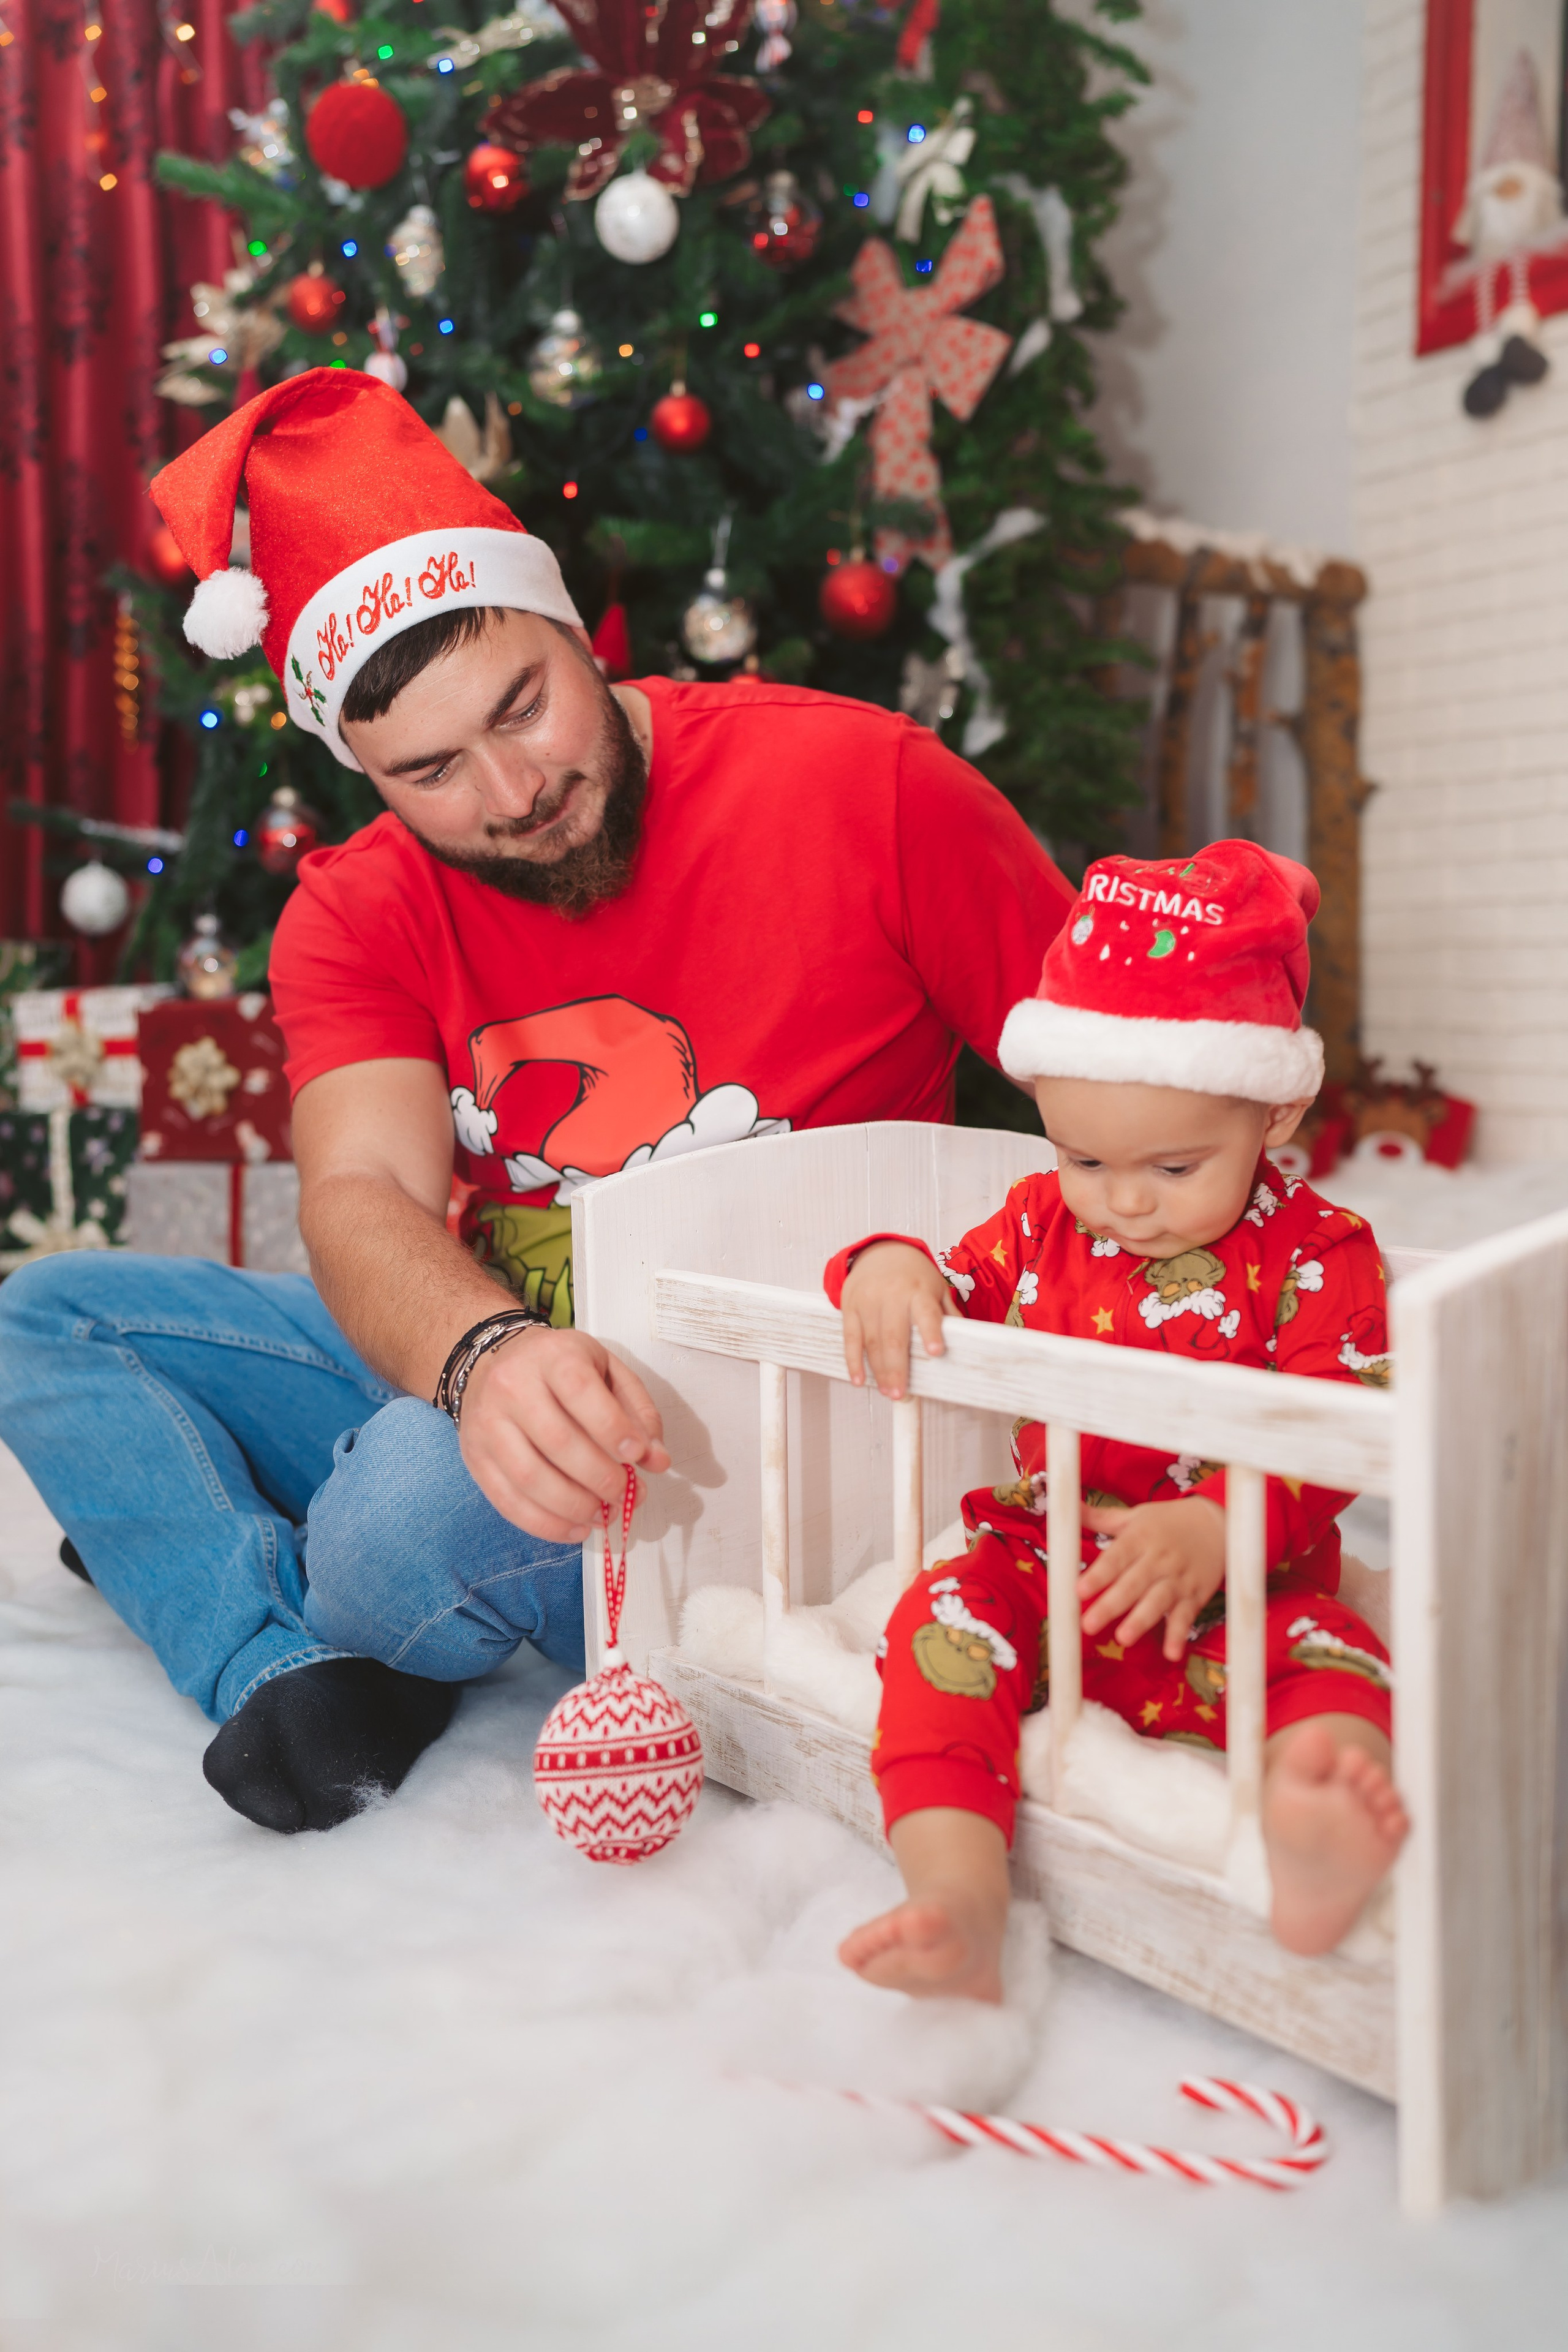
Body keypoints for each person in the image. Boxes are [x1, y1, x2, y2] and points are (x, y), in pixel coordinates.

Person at [0, 368, 1074, 1836]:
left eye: (526, 705)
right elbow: (363, 1197)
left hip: (746, 1427)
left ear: (573, 626)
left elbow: (1116, 1103)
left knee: (397, 1522)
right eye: (430, 770)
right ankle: (281, 1662)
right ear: (359, 772)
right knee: (47, 1317)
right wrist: (485, 1359)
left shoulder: (866, 787)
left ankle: (248, 1548)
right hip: (496, 1331)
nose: (513, 792)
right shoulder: (352, 914)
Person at [823, 840, 1409, 1992]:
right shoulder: (1044, 1224)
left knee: (1338, 1656)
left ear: (1276, 1111)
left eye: (1176, 1166)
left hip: (1238, 1587)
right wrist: (889, 1263)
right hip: (1042, 1559)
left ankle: (1320, 1813)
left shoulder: (1317, 1255)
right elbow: (951, 1275)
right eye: (1085, 1156)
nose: (1125, 1202)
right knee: (936, 1627)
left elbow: (1344, 1420)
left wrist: (1223, 1526)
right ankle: (957, 1896)